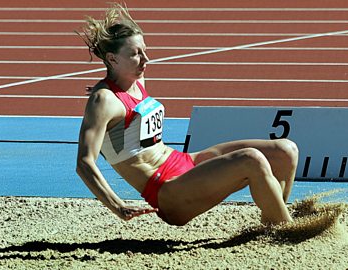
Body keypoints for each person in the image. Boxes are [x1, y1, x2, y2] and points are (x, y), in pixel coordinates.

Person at [75, 4, 298, 226]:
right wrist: (117, 206)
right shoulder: (103, 101)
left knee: (285, 151)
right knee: (251, 159)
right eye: (135, 54)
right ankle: (287, 229)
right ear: (112, 59)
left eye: (144, 50)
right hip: (167, 190)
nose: (146, 59)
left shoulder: (135, 80)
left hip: (183, 163)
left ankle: (273, 221)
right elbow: (84, 163)